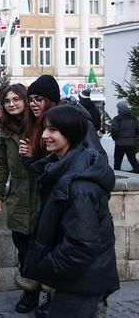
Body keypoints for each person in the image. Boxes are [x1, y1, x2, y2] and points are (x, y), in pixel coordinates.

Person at [22, 105, 119, 317]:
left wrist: (46, 265)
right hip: (77, 278)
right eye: (45, 129)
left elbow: (82, 245)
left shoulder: (79, 184)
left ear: (71, 133)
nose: (45, 135)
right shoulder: (63, 167)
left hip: (80, 281)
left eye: (53, 130)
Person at [0, 84, 41, 313]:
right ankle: (30, 291)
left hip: (41, 191)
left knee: (45, 245)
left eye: (16, 99)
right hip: (19, 194)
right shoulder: (4, 128)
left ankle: (50, 293)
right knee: (23, 247)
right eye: (7, 100)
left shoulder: (42, 122)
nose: (11, 104)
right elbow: (1, 163)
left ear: (26, 100)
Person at [18, 74, 60, 315]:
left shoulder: (63, 122)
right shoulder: (33, 126)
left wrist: (33, 157)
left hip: (59, 199)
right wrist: (29, 157)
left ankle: (54, 298)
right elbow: (39, 172)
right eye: (30, 99)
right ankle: (40, 295)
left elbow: (57, 167)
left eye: (38, 99)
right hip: (43, 199)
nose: (33, 104)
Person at [111, 99, 139, 173]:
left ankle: (116, 176)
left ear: (120, 108)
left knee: (117, 162)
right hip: (131, 143)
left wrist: (115, 139)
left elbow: (114, 131)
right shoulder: (134, 118)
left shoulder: (117, 119)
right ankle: (137, 172)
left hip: (120, 143)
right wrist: (133, 137)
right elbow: (137, 130)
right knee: (133, 160)